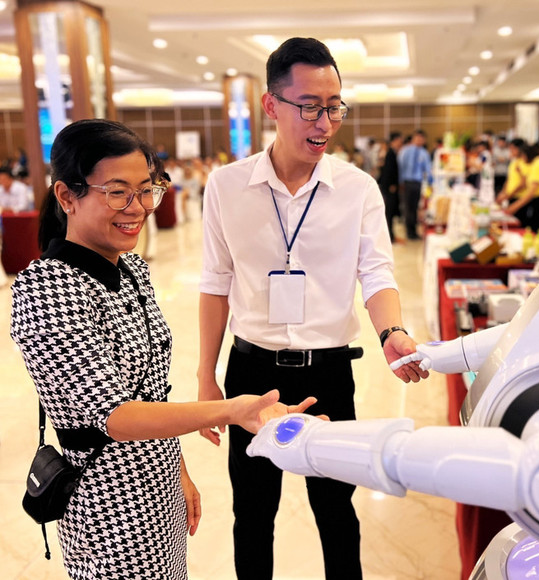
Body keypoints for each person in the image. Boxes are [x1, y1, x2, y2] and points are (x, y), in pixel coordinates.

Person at [9, 119, 315, 579]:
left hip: (158, 486)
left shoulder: (132, 269)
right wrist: (230, 410)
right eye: (117, 192)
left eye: (146, 189)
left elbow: (149, 391)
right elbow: (115, 416)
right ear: (66, 196)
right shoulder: (46, 290)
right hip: (106, 505)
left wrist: (178, 473)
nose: (137, 208)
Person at [197, 37, 428, 580]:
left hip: (328, 372)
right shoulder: (227, 186)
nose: (324, 122)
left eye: (334, 107)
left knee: (335, 511)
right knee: (252, 512)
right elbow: (215, 282)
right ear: (271, 105)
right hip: (251, 372)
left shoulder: (358, 189)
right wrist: (206, 376)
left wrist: (391, 330)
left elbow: (375, 272)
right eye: (310, 107)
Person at [499, 142, 539, 232]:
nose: (522, 159)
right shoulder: (532, 164)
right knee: (531, 225)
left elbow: (530, 193)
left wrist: (514, 207)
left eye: (523, 156)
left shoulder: (538, 164)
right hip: (536, 199)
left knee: (538, 228)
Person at [397, 128, 432, 240]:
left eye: (421, 139)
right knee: (408, 208)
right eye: (417, 138)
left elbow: (428, 169)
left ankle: (413, 231)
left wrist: (431, 183)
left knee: (415, 208)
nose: (419, 140)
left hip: (417, 183)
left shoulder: (424, 153)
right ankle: (409, 232)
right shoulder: (405, 150)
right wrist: (400, 182)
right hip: (407, 182)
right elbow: (400, 166)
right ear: (413, 138)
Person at [378, 131, 403, 242]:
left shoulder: (392, 152)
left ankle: (391, 235)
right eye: (399, 141)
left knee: (391, 212)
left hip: (389, 187)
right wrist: (391, 185)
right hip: (389, 188)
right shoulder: (390, 154)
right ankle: (390, 237)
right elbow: (389, 172)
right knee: (389, 212)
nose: (400, 143)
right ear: (395, 141)